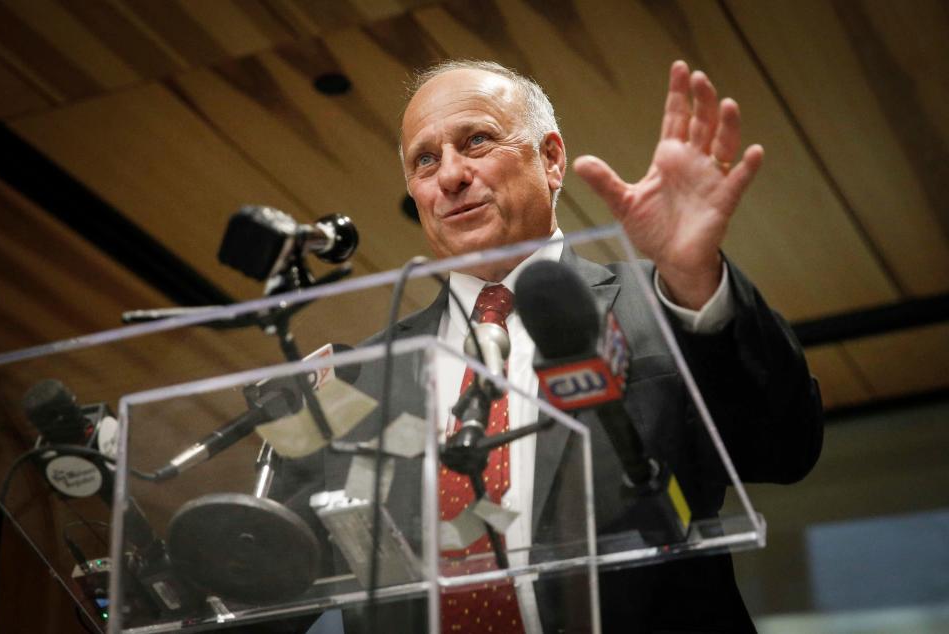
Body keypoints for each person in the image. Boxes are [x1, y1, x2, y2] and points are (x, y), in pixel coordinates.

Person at [281, 59, 823, 633]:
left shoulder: (662, 304)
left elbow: (785, 448)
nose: (451, 176)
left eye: (477, 140)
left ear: (551, 158)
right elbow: (273, 572)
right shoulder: (364, 377)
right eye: (425, 159)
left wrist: (694, 278)